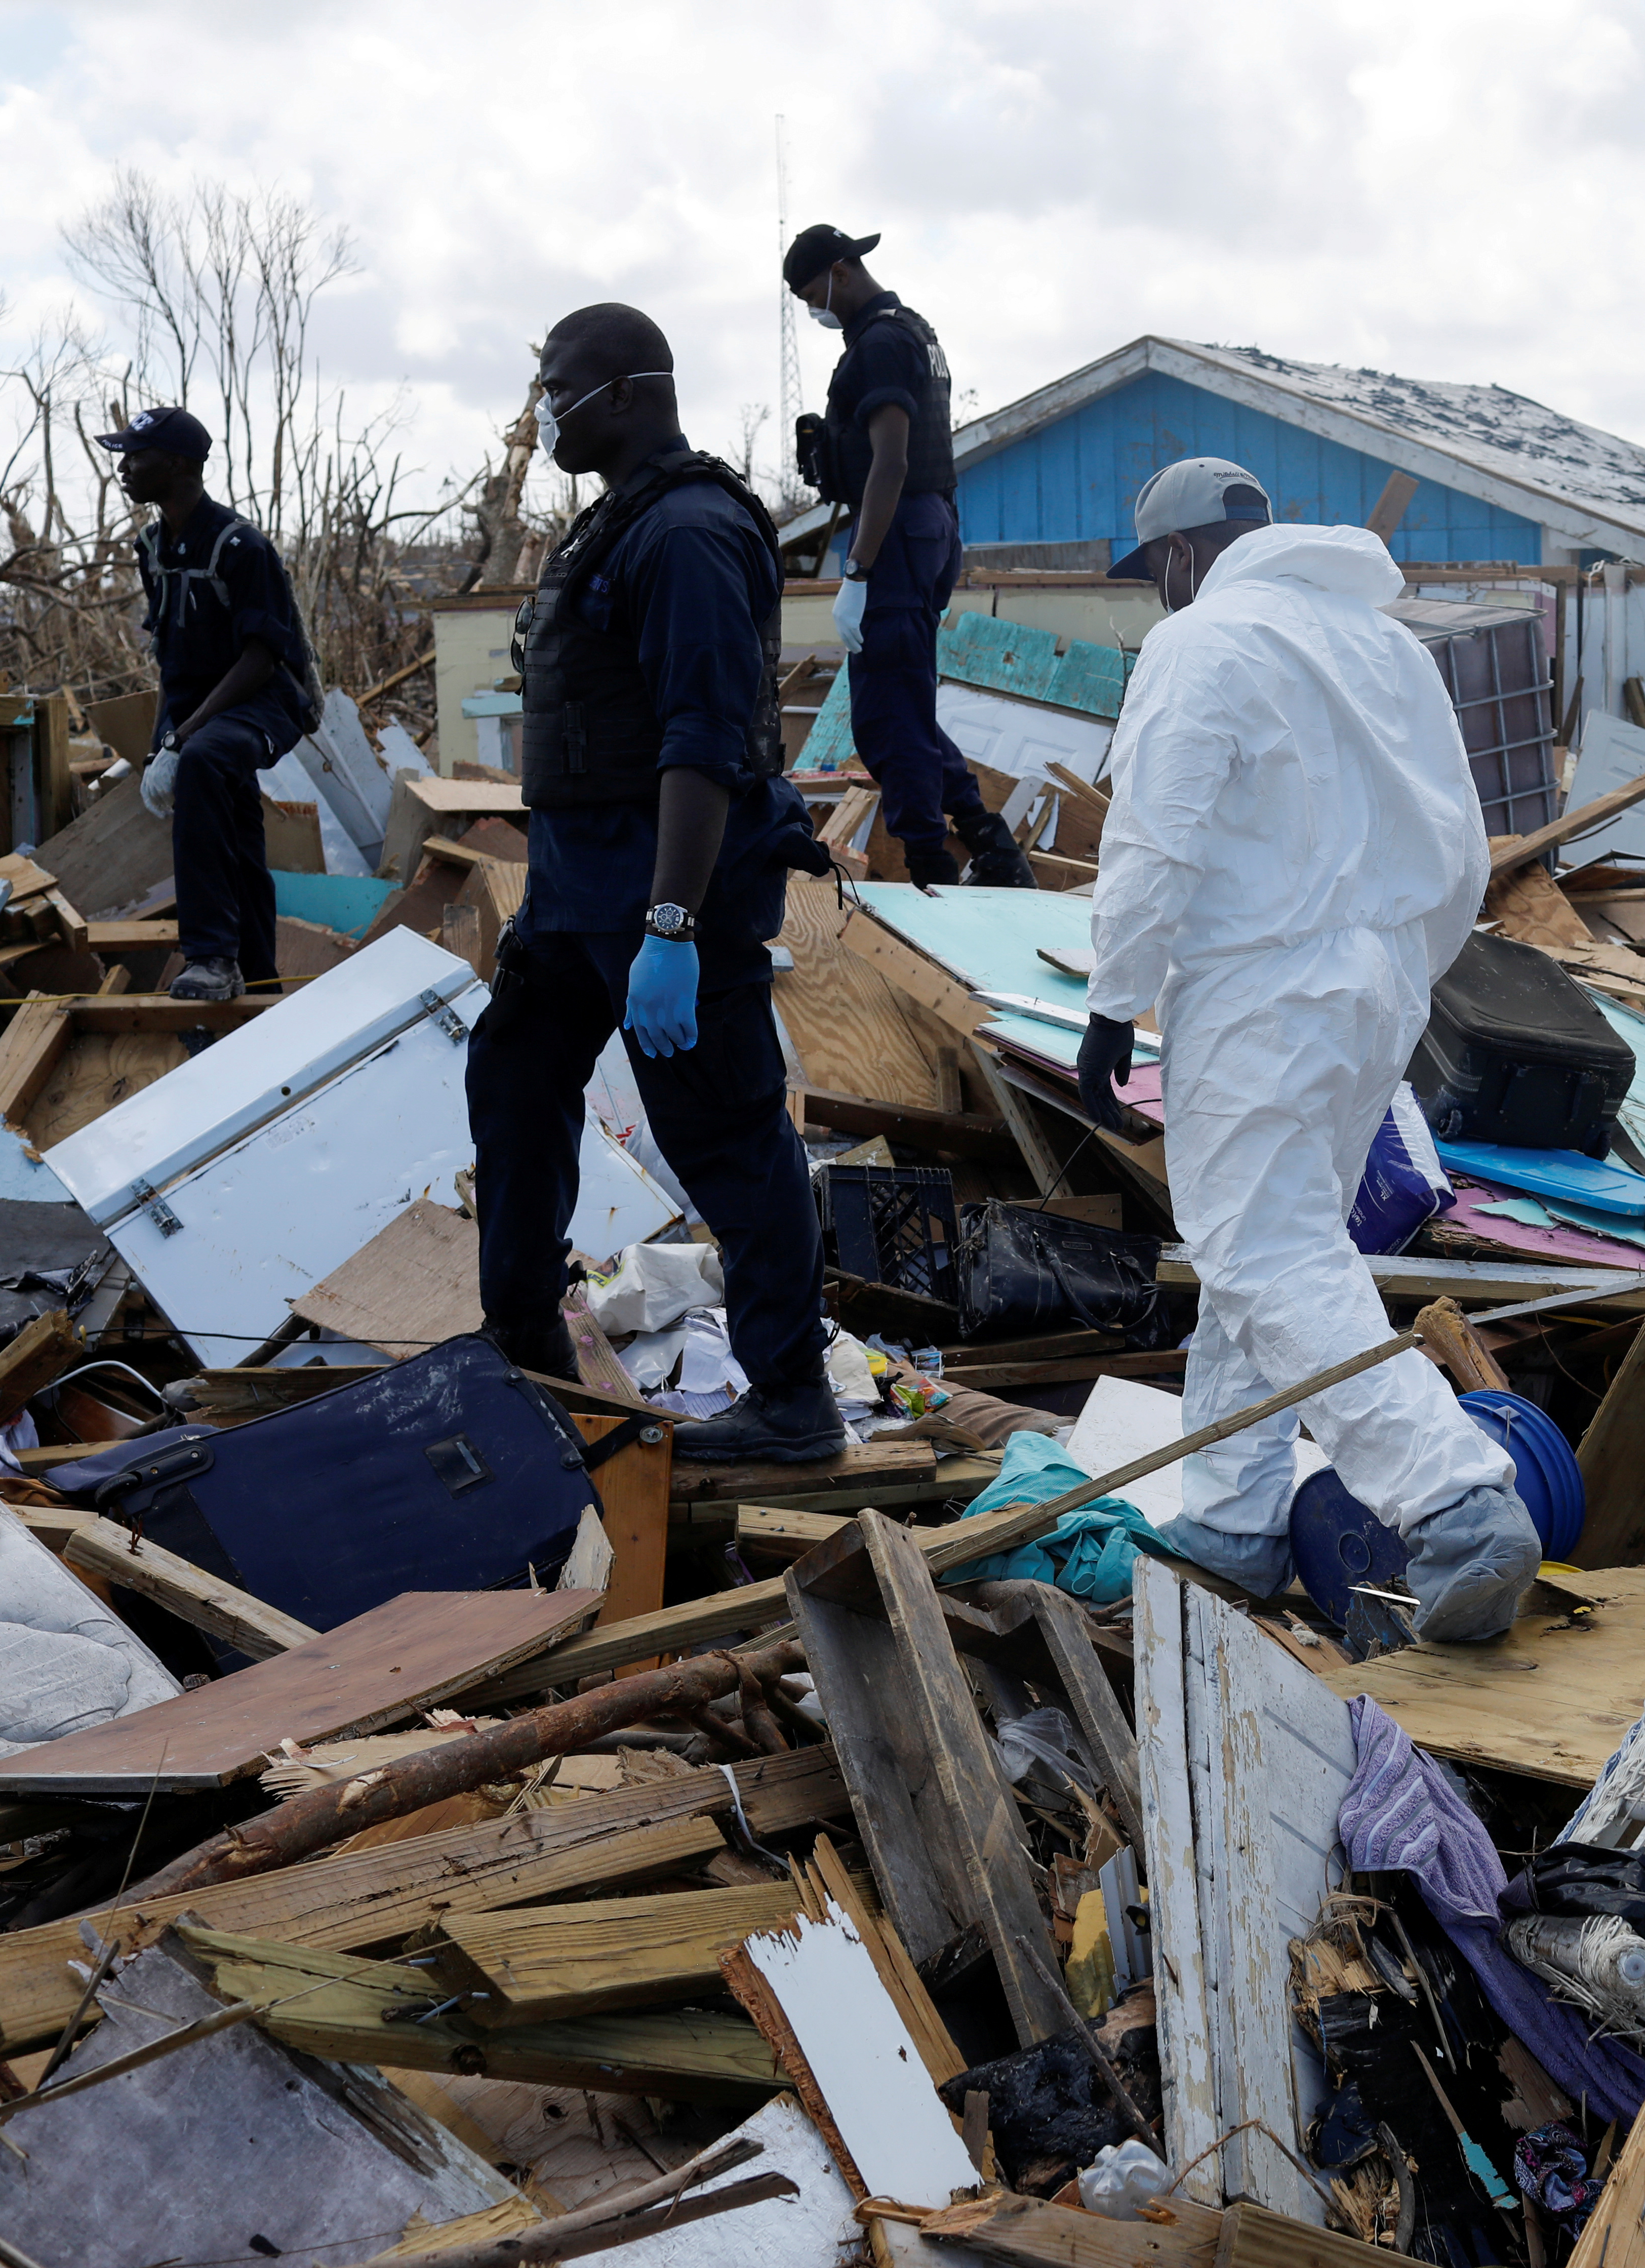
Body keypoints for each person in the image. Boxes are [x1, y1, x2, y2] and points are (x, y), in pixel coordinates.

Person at [1069, 457, 1537, 1644]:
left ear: (1178, 556)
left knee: (1262, 1251)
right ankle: (1230, 1526)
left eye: (1154, 574)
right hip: (1377, 981)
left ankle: (1458, 1498)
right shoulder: (1381, 645)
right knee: (1264, 1261)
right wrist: (1397, 972)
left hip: (1261, 984)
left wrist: (1112, 1003)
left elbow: (1155, 836)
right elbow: (1464, 841)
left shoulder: (1203, 641)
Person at [467, 302, 846, 1466]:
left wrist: (673, 928)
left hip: (671, 898)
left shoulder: (686, 534)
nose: (545, 412)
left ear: (628, 393)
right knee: (516, 1081)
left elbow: (705, 740)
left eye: (561, 388)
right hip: (582, 896)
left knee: (724, 1135)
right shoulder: (611, 529)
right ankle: (523, 1345)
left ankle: (794, 1402)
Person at [781, 223, 1032, 889]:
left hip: (896, 530)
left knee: (890, 720)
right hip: (922, 524)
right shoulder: (906, 329)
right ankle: (988, 843)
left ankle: (931, 873)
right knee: (900, 714)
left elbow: (890, 461)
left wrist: (859, 569)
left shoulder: (885, 341)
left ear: (841, 270)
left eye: (815, 293)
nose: (816, 308)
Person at [98, 406, 320, 1004]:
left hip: (263, 702)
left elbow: (261, 659)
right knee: (236, 830)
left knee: (204, 762)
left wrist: (184, 738)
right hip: (201, 713)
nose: (123, 468)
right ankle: (260, 977)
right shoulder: (152, 546)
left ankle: (211, 959)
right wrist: (157, 743)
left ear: (176, 465)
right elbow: (170, 657)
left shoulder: (240, 546)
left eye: (135, 457)